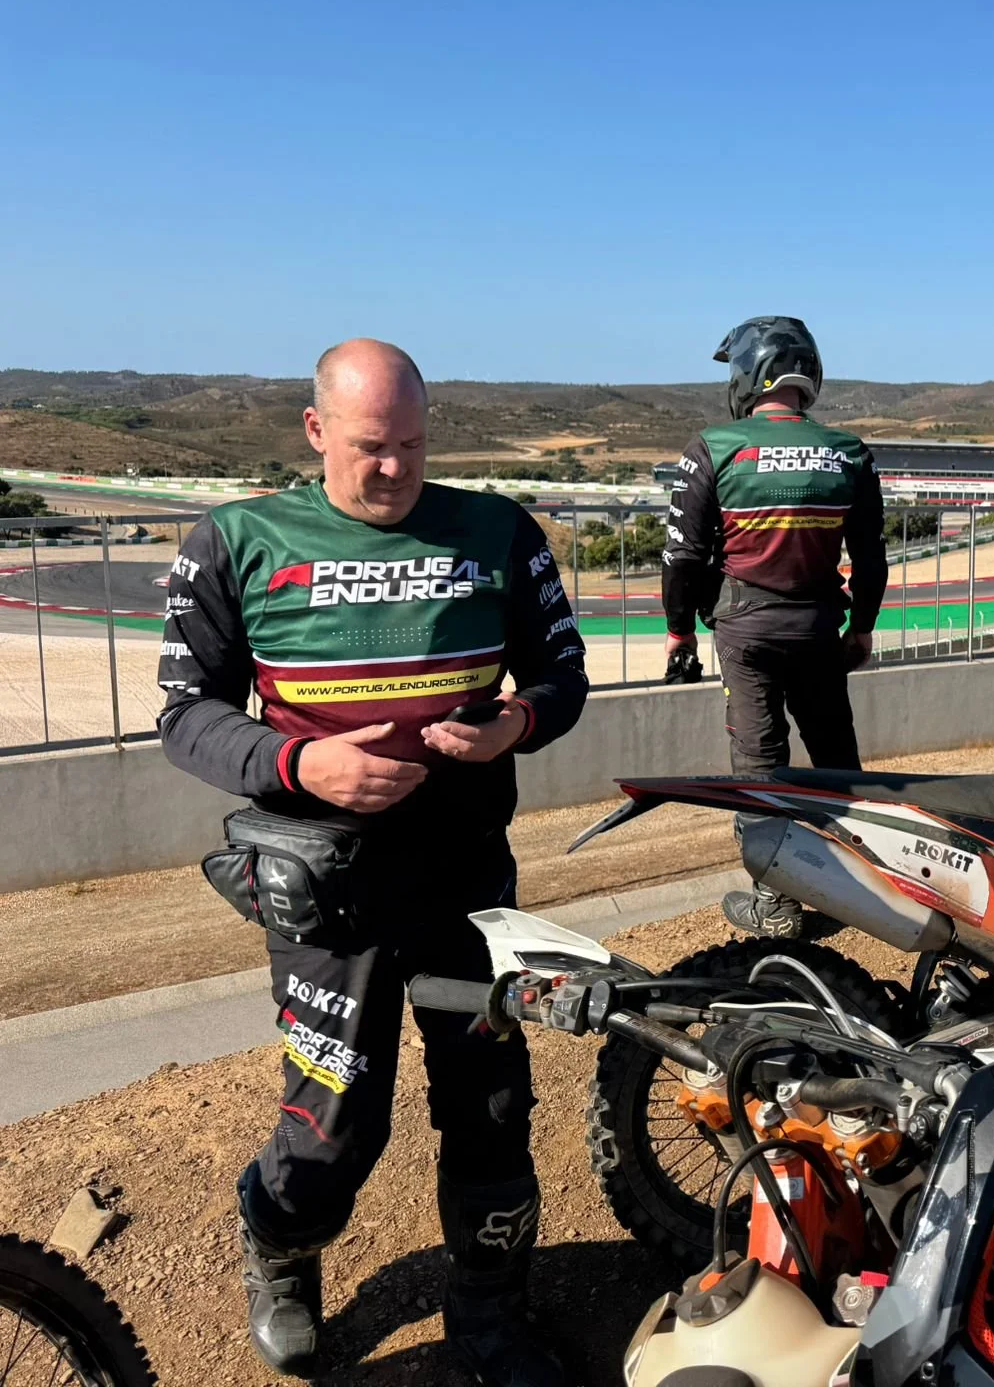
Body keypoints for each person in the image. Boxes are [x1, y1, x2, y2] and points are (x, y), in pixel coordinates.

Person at [158, 340, 587, 1385]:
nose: (393, 468)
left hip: (465, 879)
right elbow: (186, 714)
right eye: (368, 447)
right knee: (334, 1126)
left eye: (411, 445)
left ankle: (489, 1313)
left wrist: (517, 723)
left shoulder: (499, 531)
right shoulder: (237, 539)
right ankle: (278, 1244)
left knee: (491, 1107)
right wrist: (298, 763)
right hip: (326, 890)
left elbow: (564, 672)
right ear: (315, 431)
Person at [662, 316, 887, 939]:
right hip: (820, 629)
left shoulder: (713, 447)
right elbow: (871, 558)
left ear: (747, 375)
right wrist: (862, 628)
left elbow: (682, 557)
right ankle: (866, 885)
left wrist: (680, 632)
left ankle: (777, 901)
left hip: (746, 631)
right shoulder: (849, 451)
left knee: (760, 764)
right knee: (836, 757)